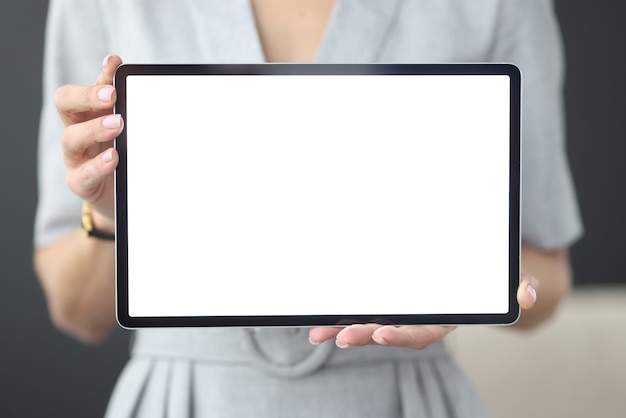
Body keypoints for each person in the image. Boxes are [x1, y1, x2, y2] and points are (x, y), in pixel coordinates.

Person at [34, 0, 583, 416]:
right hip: (185, 398)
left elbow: (547, 279)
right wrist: (110, 218)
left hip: (403, 397)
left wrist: (472, 288)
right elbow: (76, 312)